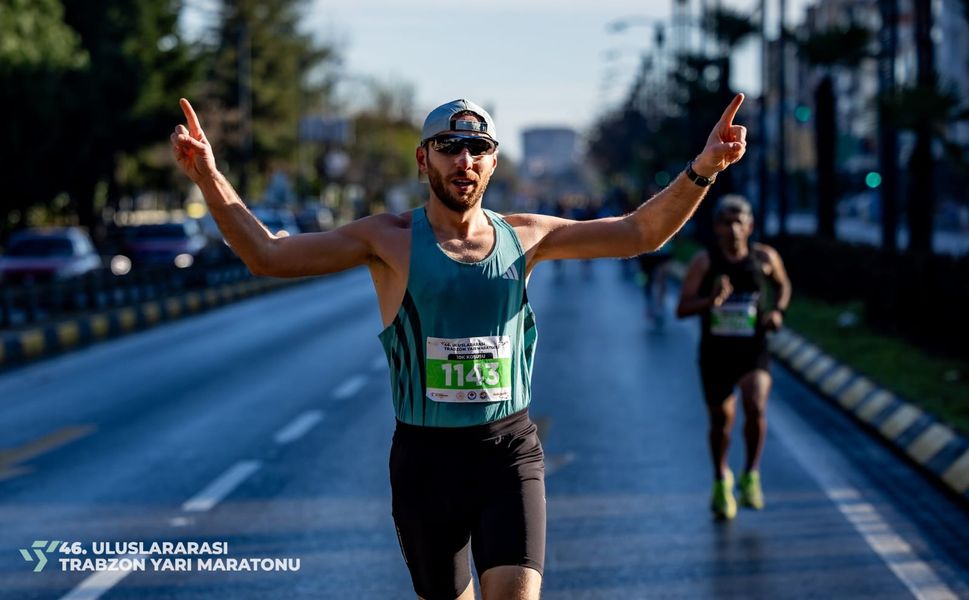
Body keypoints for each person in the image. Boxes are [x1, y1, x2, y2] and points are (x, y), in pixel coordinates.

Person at [171, 94, 748, 599]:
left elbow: (639, 233)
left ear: (493, 161)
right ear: (424, 158)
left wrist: (705, 168)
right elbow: (268, 254)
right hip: (426, 463)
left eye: (477, 148)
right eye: (449, 147)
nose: (464, 161)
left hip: (509, 453)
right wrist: (208, 178)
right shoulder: (387, 239)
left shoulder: (527, 236)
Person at [675, 195, 791, 520]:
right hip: (716, 353)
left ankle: (751, 474)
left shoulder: (764, 257)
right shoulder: (704, 262)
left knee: (755, 405)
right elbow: (682, 308)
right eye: (726, 221)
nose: (734, 228)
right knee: (721, 422)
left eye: (739, 221)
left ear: (750, 225)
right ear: (716, 227)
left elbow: (783, 286)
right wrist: (710, 301)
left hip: (753, 349)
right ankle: (720, 479)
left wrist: (777, 312)